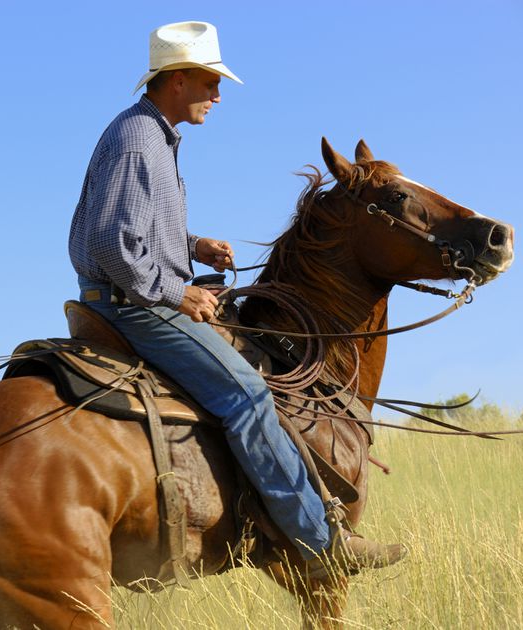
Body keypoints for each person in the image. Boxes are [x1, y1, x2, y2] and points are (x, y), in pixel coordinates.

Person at [68, 20, 406, 579]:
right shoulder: (140, 139)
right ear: (176, 80)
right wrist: (179, 293)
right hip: (133, 306)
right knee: (248, 392)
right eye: (210, 82)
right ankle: (322, 542)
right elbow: (112, 242)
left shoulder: (150, 134)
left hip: (135, 295)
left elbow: (132, 228)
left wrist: (192, 244)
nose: (218, 95)